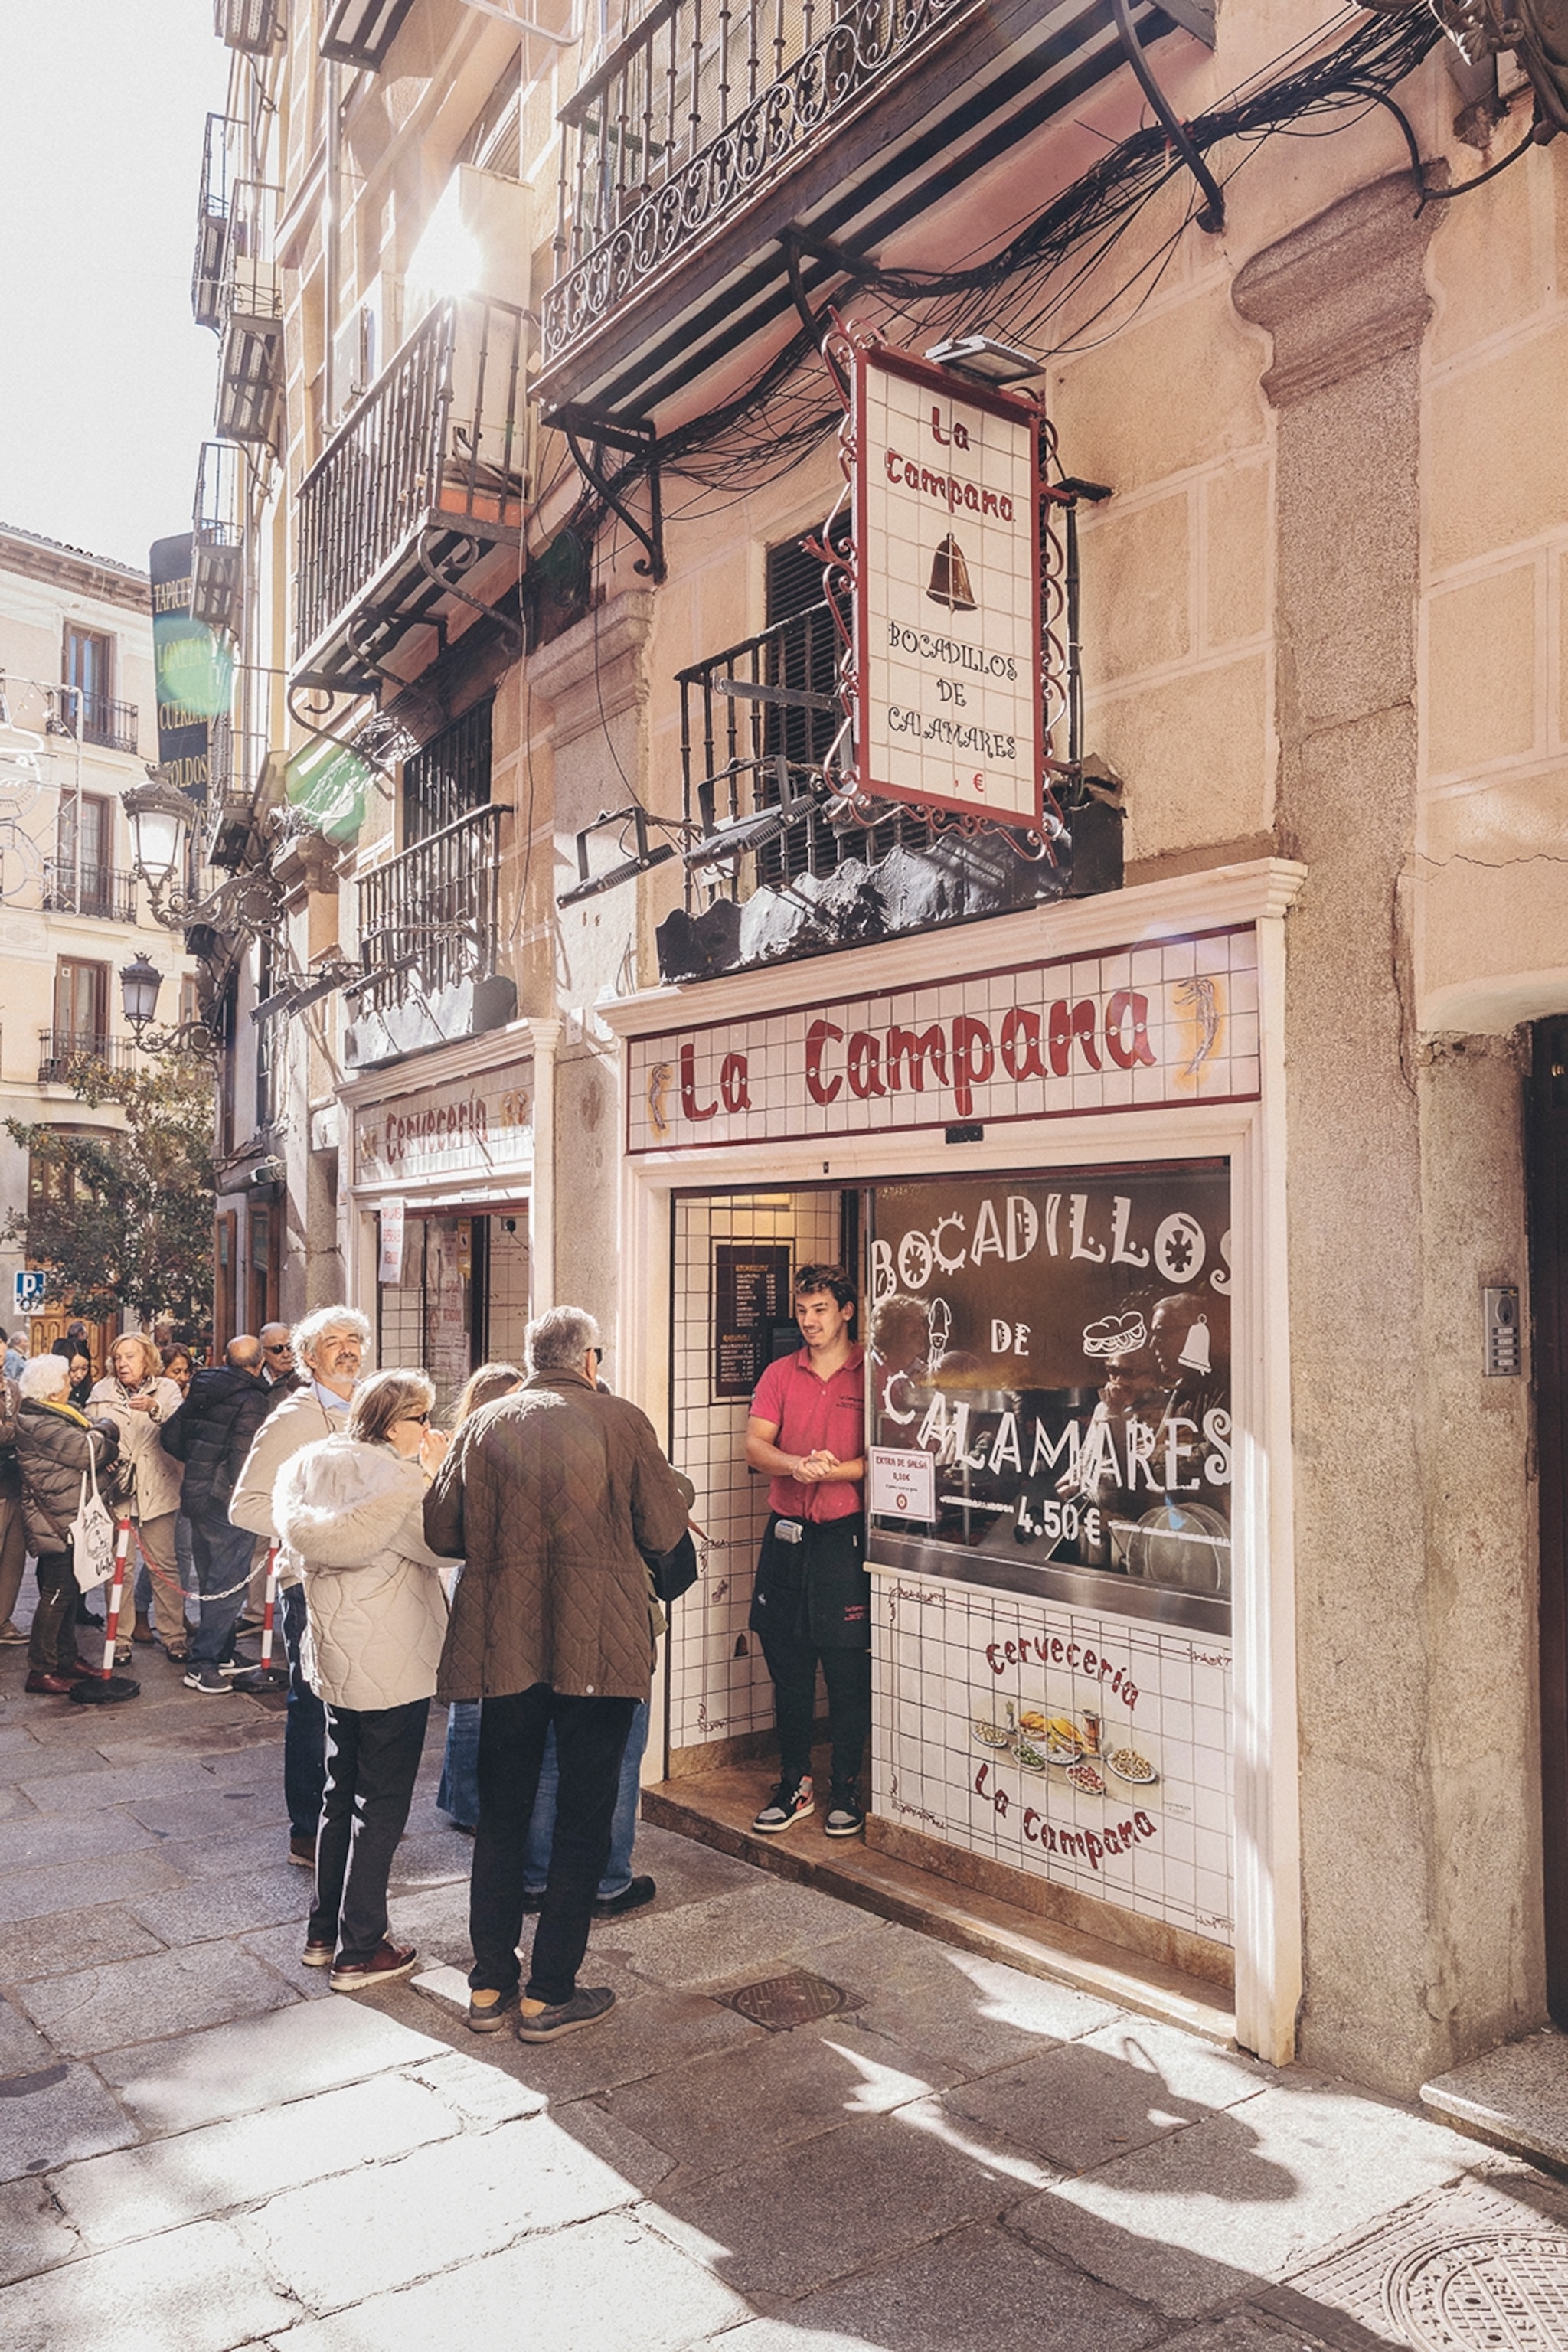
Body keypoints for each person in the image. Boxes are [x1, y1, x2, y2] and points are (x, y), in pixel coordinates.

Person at [426, 1305, 688, 2043]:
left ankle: (487, 1986)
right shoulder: (620, 1420)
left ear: (533, 1357)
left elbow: (441, 1531)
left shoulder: (485, 1423)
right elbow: (664, 1531)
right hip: (599, 1649)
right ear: (590, 1359)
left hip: (504, 1646)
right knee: (581, 1815)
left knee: (501, 1814)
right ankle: (548, 1995)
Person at [275, 1368, 451, 1991]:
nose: (427, 1429)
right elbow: (446, 1547)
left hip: (334, 1656)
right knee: (382, 1805)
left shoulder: (310, 1465)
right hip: (394, 1663)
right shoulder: (401, 1482)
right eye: (419, 1418)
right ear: (389, 1421)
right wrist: (434, 1471)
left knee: (337, 1792)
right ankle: (363, 1947)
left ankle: (322, 1932)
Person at [229, 1307, 372, 1866]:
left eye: (353, 1339)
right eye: (333, 1342)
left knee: (358, 1703)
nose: (346, 1350)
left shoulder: (370, 1407)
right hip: (308, 1582)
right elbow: (247, 1505)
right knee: (312, 1703)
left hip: (365, 1581)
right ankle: (306, 1829)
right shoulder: (293, 1418)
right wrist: (318, 1529)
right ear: (308, 1359)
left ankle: (350, 1819)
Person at [745, 1264, 870, 1839]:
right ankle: (794, 1783)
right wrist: (797, 1465)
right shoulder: (779, 1373)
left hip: (844, 1542)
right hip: (786, 1537)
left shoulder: (871, 1374)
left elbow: (887, 1459)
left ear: (846, 1310)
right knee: (789, 1669)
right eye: (802, 1312)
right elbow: (754, 1444)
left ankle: (845, 1787)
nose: (810, 1322)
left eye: (820, 1310)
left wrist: (833, 1471)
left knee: (846, 1671)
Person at [435, 1362, 525, 1834]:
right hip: (479, 1574)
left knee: (476, 1693)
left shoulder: (466, 1444)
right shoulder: (484, 1445)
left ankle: (466, 1800)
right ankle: (469, 1803)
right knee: (473, 1697)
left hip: (481, 1573)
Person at [158, 1338, 273, 1691]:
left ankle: (222, 1652)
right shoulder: (254, 1398)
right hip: (227, 1500)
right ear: (259, 1364)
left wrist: (197, 1463)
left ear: (225, 1359)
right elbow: (244, 1459)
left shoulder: (202, 1388)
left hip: (198, 1493)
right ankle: (203, 1662)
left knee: (211, 1575)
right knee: (228, 1582)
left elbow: (171, 1436)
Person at [13, 1352, 121, 1694]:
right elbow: (90, 1450)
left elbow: (93, 1440)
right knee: (57, 1592)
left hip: (68, 1516)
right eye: (64, 1378)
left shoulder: (52, 1415)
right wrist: (104, 1432)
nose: (69, 1383)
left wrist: (98, 1433)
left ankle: (65, 1657)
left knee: (70, 1590)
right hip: (58, 1521)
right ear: (53, 1388)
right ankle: (40, 1669)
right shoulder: (42, 1422)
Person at [89, 1334, 189, 1663]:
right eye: (118, 1358)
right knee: (120, 1569)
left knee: (164, 1566)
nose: (122, 1364)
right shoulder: (102, 1391)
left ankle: (174, 1636)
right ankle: (119, 1639)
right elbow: (89, 1434)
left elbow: (179, 1429)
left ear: (147, 1359)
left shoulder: (167, 1389)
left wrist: (156, 1409)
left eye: (130, 1357)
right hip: (117, 1492)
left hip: (158, 1488)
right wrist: (106, 1455)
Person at [0, 1364, 28, 1645]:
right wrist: (15, 1429)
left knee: (13, 1560)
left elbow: (23, 1424)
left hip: (14, 1482)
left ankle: (2, 1621)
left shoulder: (12, 1388)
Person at [260, 1324, 303, 1397]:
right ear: (263, 1352)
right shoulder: (253, 1379)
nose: (286, 1355)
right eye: (277, 1349)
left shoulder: (303, 1381)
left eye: (290, 1347)